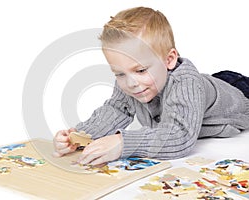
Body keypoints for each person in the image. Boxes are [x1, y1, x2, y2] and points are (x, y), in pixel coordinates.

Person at [53, 7, 249, 165]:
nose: (130, 83)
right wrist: (78, 137)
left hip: (239, 92)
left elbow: (179, 136)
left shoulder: (185, 83)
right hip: (210, 87)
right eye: (120, 73)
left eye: (140, 71)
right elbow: (114, 110)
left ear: (169, 60)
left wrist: (122, 143)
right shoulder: (131, 81)